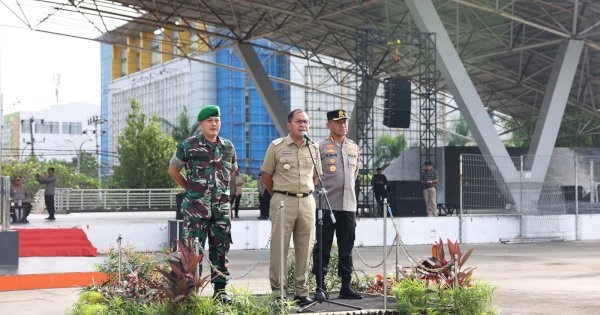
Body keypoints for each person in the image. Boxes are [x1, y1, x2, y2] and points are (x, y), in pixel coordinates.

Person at [168, 105, 237, 303]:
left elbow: (231, 170)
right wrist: (190, 189)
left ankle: (221, 292)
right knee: (193, 253)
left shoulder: (228, 147)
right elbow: (173, 171)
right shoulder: (187, 146)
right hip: (196, 210)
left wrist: (220, 190)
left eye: (217, 120)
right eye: (210, 121)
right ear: (201, 124)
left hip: (221, 211)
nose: (214, 124)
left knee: (221, 250)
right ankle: (190, 295)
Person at [261, 109, 321, 306]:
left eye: (306, 122)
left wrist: (304, 192)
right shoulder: (277, 146)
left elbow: (315, 176)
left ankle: (302, 292)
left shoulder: (313, 148)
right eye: (299, 121)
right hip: (282, 200)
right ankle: (278, 292)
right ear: (289, 125)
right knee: (280, 248)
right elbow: (266, 176)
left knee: (305, 247)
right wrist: (279, 194)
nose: (303, 125)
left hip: (306, 201)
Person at [311, 109, 362, 299]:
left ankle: (345, 287)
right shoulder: (320, 148)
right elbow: (314, 176)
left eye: (344, 121)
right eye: (338, 122)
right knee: (322, 247)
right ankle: (320, 287)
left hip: (348, 206)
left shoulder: (353, 147)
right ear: (328, 125)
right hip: (325, 205)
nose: (343, 125)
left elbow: (354, 176)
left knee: (346, 247)